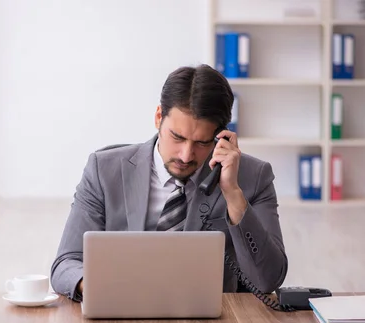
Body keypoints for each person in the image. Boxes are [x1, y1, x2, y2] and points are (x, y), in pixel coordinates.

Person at [51, 64, 288, 302]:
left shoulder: (254, 177)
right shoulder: (104, 170)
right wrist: (101, 288)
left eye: (202, 142)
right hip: (122, 317)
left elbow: (267, 280)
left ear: (221, 137)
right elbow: (65, 264)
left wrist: (233, 195)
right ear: (158, 117)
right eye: (177, 137)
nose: (186, 155)